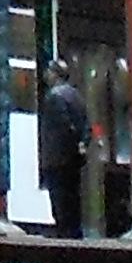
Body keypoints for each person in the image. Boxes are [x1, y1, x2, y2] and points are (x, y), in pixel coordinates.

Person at [36, 56, 91, 234]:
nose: (45, 75)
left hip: (57, 158)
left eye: (49, 71)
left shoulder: (54, 96)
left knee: (59, 199)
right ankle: (74, 231)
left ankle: (64, 233)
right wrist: (81, 145)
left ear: (55, 74)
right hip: (73, 159)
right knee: (73, 197)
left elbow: (62, 126)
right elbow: (86, 126)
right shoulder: (77, 96)